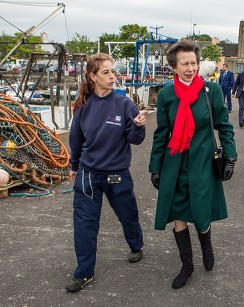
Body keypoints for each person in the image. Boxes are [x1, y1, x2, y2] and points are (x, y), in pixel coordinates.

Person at [149, 40, 237, 289]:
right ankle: (186, 265)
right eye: (185, 63)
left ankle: (206, 245)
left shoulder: (212, 91)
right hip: (174, 163)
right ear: (174, 67)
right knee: (178, 214)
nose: (191, 68)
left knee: (200, 213)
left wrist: (231, 156)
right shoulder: (166, 94)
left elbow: (224, 125)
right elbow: (161, 133)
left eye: (194, 63)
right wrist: (155, 167)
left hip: (202, 161)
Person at [66, 53, 148, 293]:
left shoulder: (124, 104)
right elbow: (76, 139)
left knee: (128, 214)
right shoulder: (83, 105)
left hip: (117, 174)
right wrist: (74, 165)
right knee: (84, 224)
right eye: (106, 72)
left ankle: (136, 245)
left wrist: (139, 126)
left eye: (113, 72)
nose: (113, 77)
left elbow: (135, 139)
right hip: (88, 175)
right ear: (93, 76)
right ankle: (84, 273)